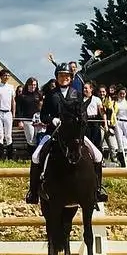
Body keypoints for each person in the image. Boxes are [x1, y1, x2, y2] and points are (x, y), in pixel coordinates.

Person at [26, 63, 106, 204]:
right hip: (53, 132)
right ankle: (33, 192)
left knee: (98, 156)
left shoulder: (77, 93)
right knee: (35, 157)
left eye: (67, 75)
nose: (64, 78)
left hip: (74, 133)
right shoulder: (51, 94)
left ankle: (98, 190)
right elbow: (44, 115)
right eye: (61, 75)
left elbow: (82, 113)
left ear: (71, 77)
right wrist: (53, 120)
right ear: (57, 77)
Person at [0, 69, 17, 161]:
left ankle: (10, 156)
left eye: (8, 75)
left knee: (8, 135)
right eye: (5, 75)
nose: (6, 77)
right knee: (0, 134)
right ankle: (1, 156)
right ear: (1, 76)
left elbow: (13, 101)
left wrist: (13, 114)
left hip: (8, 112)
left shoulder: (11, 87)